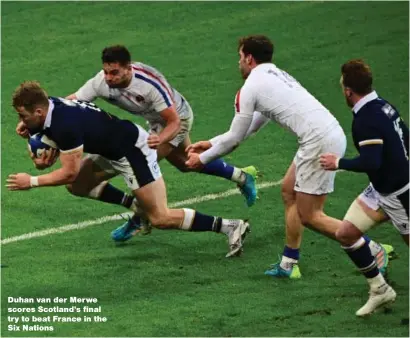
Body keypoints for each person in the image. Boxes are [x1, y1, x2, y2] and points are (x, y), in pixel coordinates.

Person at [185, 35, 390, 279]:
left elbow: (236, 138)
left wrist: (203, 159)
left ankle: (371, 249)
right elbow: (252, 124)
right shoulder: (275, 75)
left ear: (249, 58)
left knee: (311, 215)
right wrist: (211, 143)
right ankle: (288, 264)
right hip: (324, 134)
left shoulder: (250, 87)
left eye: (240, 58)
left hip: (318, 142)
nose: (238, 63)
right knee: (288, 190)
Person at [16, 45, 258, 241]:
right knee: (79, 184)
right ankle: (140, 208)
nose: (108, 78)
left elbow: (172, 120)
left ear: (128, 69)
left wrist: (159, 140)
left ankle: (228, 222)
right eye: (106, 71)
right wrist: (37, 129)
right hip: (130, 137)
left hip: (173, 119)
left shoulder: (149, 85)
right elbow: (71, 103)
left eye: (114, 73)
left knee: (163, 208)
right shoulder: (98, 83)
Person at [320, 59, 409, 316]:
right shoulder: (384, 106)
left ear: (348, 91)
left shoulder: (366, 119)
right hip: (380, 190)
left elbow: (371, 161)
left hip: (399, 193)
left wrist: (337, 162)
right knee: (346, 234)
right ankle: (380, 289)